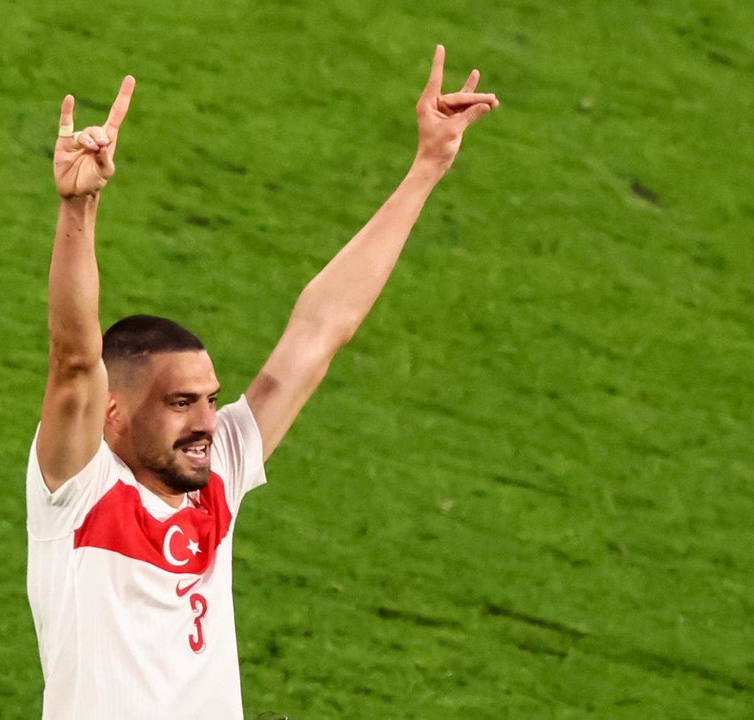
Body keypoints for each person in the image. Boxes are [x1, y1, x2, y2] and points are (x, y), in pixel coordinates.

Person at [26, 45, 498, 720]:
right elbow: (73, 359)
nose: (207, 424)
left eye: (210, 400)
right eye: (180, 403)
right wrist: (80, 209)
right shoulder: (75, 493)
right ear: (112, 413)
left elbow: (320, 329)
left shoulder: (218, 469)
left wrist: (427, 166)